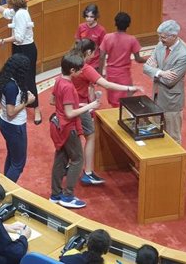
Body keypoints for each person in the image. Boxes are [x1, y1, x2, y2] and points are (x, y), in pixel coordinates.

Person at [70, 39, 142, 185]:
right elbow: (107, 84)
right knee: (90, 136)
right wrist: (129, 88)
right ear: (88, 52)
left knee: (72, 137)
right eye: (93, 52)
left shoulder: (69, 61)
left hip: (69, 105)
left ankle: (70, 165)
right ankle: (88, 172)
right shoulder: (86, 68)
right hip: (82, 107)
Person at [0, 0, 42, 125]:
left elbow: (19, 37)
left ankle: (36, 109)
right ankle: (20, 101)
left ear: (13, 0)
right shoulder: (17, 11)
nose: (6, 1)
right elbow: (5, 13)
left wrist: (3, 41)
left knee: (28, 79)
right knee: (17, 78)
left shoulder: (21, 14)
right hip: (18, 48)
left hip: (26, 49)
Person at [49, 53, 100, 209]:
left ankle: (56, 194)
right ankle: (68, 195)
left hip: (58, 125)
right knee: (77, 160)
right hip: (67, 127)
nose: (81, 73)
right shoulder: (69, 87)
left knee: (61, 158)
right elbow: (70, 113)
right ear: (72, 70)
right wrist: (90, 106)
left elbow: (54, 101)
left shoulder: (58, 80)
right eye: (79, 70)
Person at [142, 20, 186, 144]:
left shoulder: (183, 55)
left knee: (173, 137)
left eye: (163, 37)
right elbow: (146, 68)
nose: (160, 39)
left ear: (173, 36)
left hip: (172, 102)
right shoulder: (160, 45)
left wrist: (154, 71)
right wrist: (161, 72)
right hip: (157, 98)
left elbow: (170, 81)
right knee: (156, 132)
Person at [0, 54, 36, 182]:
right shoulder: (12, 86)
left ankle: (5, 184)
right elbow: (11, 112)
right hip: (14, 126)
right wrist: (27, 101)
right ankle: (5, 191)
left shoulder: (7, 79)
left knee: (12, 156)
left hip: (7, 124)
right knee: (18, 164)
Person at [98, 12, 147, 107]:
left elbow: (101, 56)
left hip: (111, 73)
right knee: (126, 98)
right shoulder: (132, 40)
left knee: (113, 100)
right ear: (128, 25)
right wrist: (148, 60)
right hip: (124, 74)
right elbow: (138, 59)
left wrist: (100, 74)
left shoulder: (107, 37)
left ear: (115, 23)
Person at [75, 4, 106, 73]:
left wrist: (100, 69)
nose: (88, 19)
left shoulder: (101, 30)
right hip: (82, 62)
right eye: (87, 16)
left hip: (95, 63)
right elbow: (77, 43)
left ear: (96, 16)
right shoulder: (81, 27)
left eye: (91, 17)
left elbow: (102, 51)